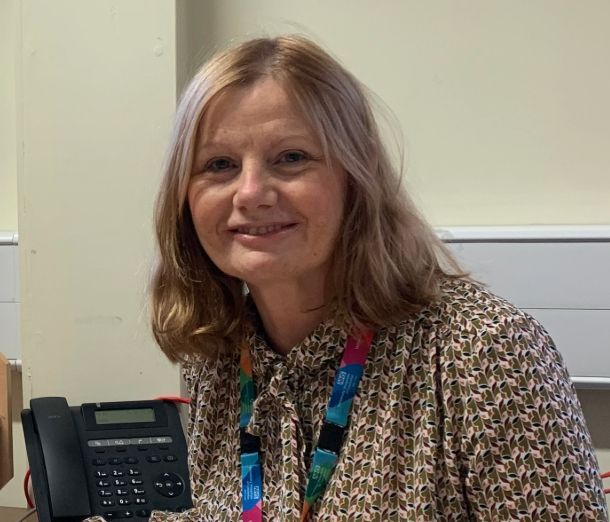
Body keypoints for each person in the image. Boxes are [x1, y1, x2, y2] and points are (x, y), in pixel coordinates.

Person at [88, 35, 607, 521]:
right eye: (219, 164)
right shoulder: (221, 357)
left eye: (290, 158)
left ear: (355, 179)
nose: (250, 193)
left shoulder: (484, 351)